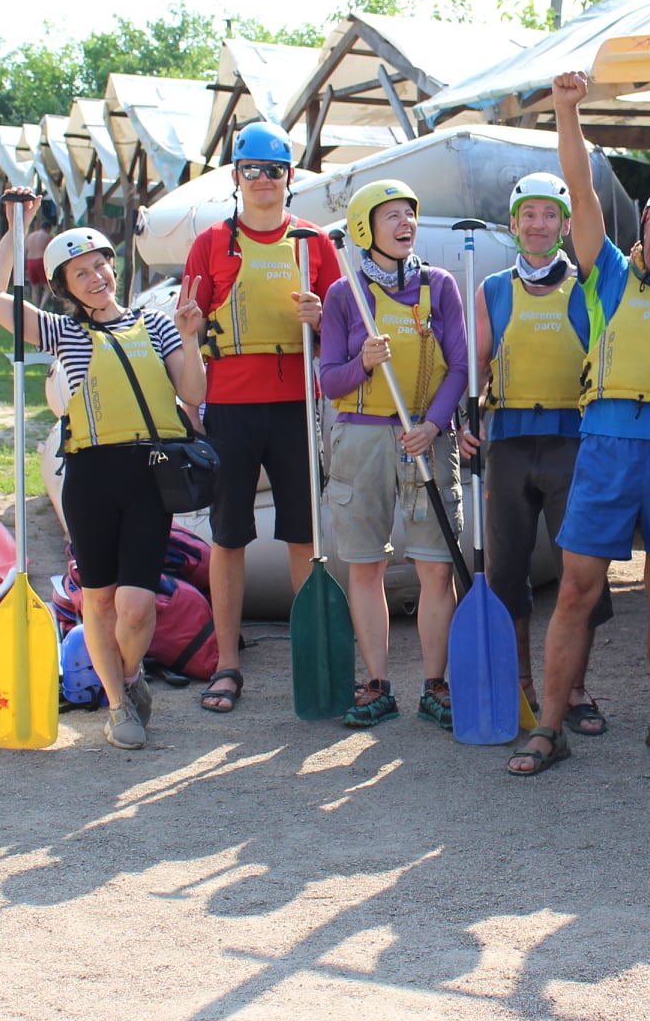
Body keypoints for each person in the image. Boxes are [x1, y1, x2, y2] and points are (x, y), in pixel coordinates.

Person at [507, 70, 650, 775]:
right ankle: (549, 727)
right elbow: (579, 189)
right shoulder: (604, 270)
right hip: (604, 447)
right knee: (578, 589)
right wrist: (567, 110)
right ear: (647, 220)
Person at [0, 188, 207, 749]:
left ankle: (130, 674)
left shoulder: (157, 324)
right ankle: (119, 703)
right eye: (81, 273)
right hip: (90, 479)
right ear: (65, 288)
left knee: (137, 605)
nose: (96, 277)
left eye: (101, 264)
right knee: (99, 602)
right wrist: (17, 226)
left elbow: (194, 394)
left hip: (149, 475)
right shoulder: (62, 331)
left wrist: (191, 337)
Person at [179, 122, 341, 715]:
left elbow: (343, 334)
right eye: (253, 169)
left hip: (295, 404)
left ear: (289, 177)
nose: (264, 179)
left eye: (274, 170)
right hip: (230, 408)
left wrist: (323, 317)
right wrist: (192, 389)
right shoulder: (210, 244)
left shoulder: (314, 243)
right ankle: (227, 664)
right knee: (228, 536)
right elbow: (189, 328)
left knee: (303, 533)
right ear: (236, 176)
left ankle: (312, 658)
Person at [459, 173, 613, 734]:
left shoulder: (588, 287)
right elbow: (475, 366)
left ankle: (573, 691)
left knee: (581, 571)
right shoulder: (492, 289)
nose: (539, 225)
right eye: (529, 214)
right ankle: (522, 686)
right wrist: (465, 421)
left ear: (566, 226)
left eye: (550, 215)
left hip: (574, 440)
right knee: (506, 572)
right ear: (513, 224)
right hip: (509, 442)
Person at [318, 178, 467, 729]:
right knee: (366, 566)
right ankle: (377, 684)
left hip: (425, 436)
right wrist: (362, 361)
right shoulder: (343, 295)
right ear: (365, 228)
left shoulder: (440, 286)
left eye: (410, 213)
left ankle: (436, 685)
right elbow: (329, 382)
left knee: (436, 568)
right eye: (393, 216)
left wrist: (432, 426)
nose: (406, 224)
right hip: (360, 441)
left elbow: (460, 367)